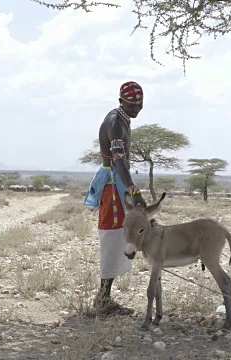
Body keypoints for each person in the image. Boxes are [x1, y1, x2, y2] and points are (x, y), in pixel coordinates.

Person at [84, 81, 148, 316]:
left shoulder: (122, 119)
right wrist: (134, 190)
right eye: (132, 104)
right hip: (113, 187)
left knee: (122, 235)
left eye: (140, 104)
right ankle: (103, 300)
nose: (136, 108)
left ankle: (105, 297)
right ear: (121, 101)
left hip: (117, 183)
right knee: (112, 237)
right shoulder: (115, 123)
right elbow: (118, 162)